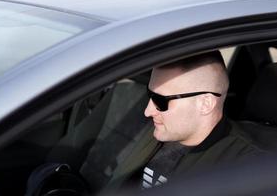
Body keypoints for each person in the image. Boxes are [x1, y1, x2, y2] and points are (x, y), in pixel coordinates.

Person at [106, 51, 261, 191]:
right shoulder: (161, 131)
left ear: (205, 104)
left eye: (160, 100)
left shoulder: (243, 168)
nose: (147, 111)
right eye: (150, 94)